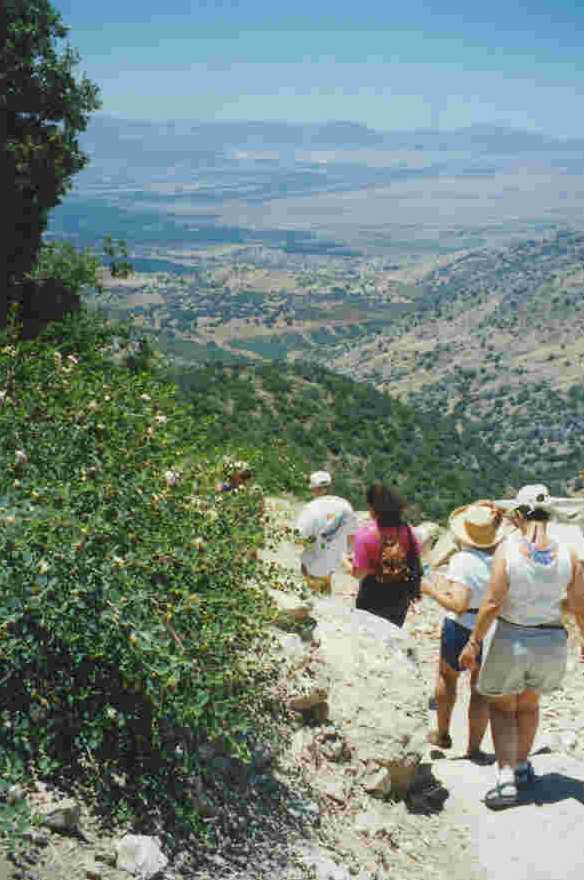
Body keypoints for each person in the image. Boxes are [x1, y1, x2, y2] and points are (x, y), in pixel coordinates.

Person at [459, 484, 584, 810]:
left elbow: (492, 602)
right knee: (529, 705)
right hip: (551, 641)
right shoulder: (569, 552)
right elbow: (579, 605)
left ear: (519, 515)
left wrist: (473, 641)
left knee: (503, 707)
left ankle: (505, 780)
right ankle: (522, 766)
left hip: (512, 637)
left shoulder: (509, 549)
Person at [421, 501, 507, 760]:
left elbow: (458, 605)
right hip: (491, 626)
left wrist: (432, 591)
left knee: (447, 677)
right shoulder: (504, 557)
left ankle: (443, 733)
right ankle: (474, 748)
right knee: (479, 689)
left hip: (461, 626)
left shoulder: (462, 560)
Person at [350, 483, 421, 628]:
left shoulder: (365, 535)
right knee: (392, 633)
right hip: (400, 596)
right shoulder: (407, 531)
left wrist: (344, 562)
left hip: (372, 594)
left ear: (372, 508)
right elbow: (414, 558)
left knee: (366, 634)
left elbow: (358, 573)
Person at [295, 471, 357, 595]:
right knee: (326, 591)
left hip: (314, 559)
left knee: (313, 595)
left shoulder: (310, 508)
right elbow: (352, 535)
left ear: (314, 489)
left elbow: (299, 537)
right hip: (335, 559)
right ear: (330, 487)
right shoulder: (345, 505)